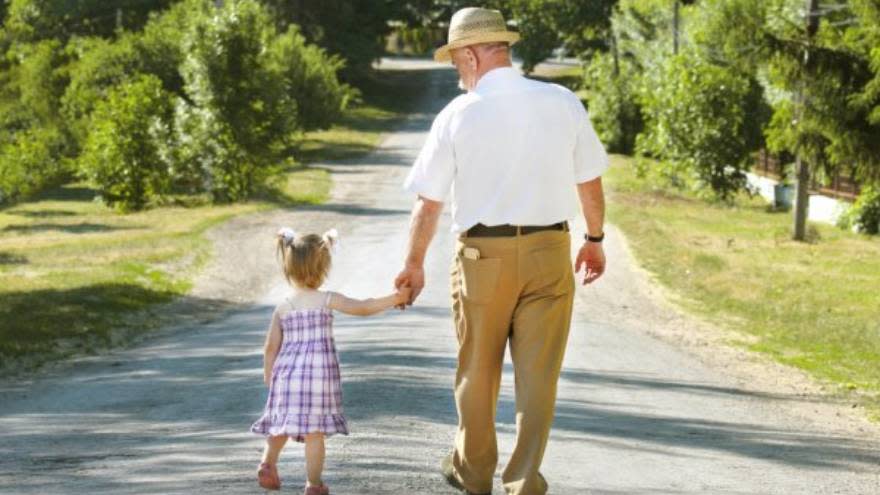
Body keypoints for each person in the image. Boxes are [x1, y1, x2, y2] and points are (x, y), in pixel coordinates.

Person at [394, 7, 609, 495]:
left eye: (455, 60)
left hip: (481, 258)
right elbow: (589, 181)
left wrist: (412, 265)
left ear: (471, 54)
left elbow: (428, 204)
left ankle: (473, 475)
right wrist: (594, 240)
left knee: (477, 369)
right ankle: (523, 481)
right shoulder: (562, 101)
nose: (455, 70)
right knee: (539, 378)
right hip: (550, 250)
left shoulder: (457, 114)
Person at [251, 227, 411, 494]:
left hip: (286, 377)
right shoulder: (326, 299)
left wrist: (270, 376)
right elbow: (363, 307)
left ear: (288, 268)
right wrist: (396, 298)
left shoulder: (284, 306)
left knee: (281, 423)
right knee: (314, 433)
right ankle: (313, 484)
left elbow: (270, 347)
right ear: (324, 267)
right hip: (317, 379)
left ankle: (268, 462)